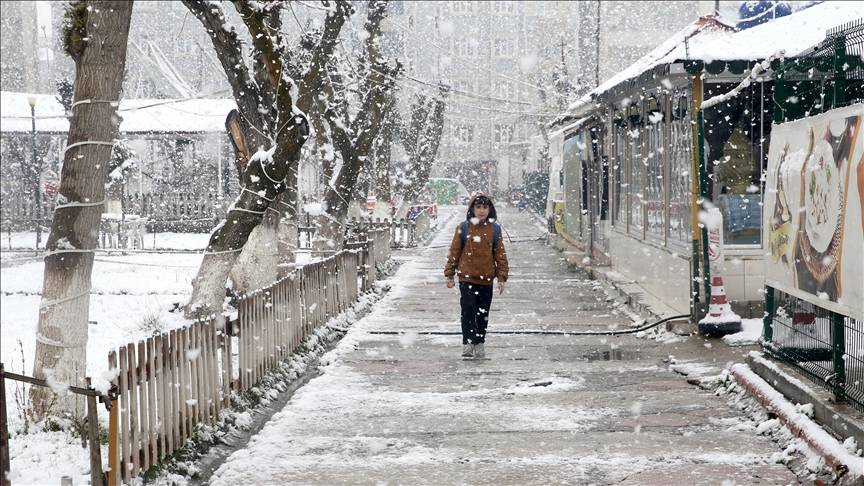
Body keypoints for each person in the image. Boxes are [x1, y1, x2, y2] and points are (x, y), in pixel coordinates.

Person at [443, 193, 509, 359]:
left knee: (482, 313)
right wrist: (449, 274)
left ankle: (480, 342)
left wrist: (501, 276)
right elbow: (454, 252)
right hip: (467, 278)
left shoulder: (494, 229)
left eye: (485, 207)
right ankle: (468, 343)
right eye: (478, 207)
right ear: (472, 209)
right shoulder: (463, 228)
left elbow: (500, 254)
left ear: (490, 209)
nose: (481, 211)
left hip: (486, 279)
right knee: (467, 311)